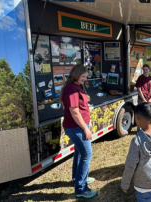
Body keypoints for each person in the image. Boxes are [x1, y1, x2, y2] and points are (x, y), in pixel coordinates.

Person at [60, 64, 97, 198]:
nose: (85, 79)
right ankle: (81, 189)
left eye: (86, 77)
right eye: (83, 76)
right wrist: (86, 129)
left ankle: (77, 178)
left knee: (80, 153)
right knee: (87, 154)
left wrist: (89, 122)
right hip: (76, 128)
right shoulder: (71, 89)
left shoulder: (77, 86)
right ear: (76, 74)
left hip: (80, 125)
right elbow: (74, 112)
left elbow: (82, 108)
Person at [121, 103, 151, 202]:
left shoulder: (136, 142)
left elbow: (130, 166)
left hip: (143, 187)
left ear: (138, 120)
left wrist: (125, 184)